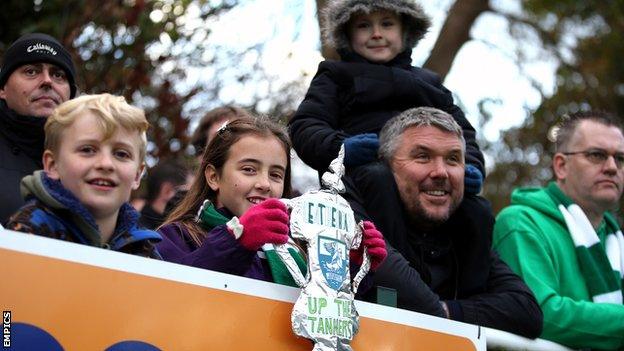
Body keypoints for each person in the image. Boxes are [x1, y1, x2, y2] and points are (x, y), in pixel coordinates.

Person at [346, 107, 543, 338]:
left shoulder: (469, 230)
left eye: (452, 159)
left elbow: (526, 311)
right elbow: (387, 272)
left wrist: (449, 311)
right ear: (384, 166)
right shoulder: (347, 208)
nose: (441, 172)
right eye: (423, 156)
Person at [157, 118, 386, 287]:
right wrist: (237, 240)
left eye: (276, 174)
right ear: (214, 177)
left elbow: (326, 316)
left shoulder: (299, 249)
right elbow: (173, 298)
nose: (265, 184)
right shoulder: (178, 236)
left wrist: (353, 266)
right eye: (249, 170)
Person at [289, 0, 485, 194]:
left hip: (428, 176)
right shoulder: (334, 76)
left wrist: (470, 165)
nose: (376, 34)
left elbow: (462, 131)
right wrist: (341, 148)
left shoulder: (428, 82)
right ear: (348, 34)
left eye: (387, 24)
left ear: (405, 31)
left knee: (476, 208)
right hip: (361, 178)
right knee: (380, 179)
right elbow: (306, 126)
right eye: (364, 25)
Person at [494, 111, 624, 350]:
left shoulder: (618, 241)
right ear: (561, 166)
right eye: (597, 155)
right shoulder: (520, 223)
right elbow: (540, 313)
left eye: (620, 158)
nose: (612, 167)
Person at [5, 94, 161, 258]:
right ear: (52, 165)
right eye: (87, 150)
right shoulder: (25, 234)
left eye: (121, 154)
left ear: (137, 175)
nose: (106, 164)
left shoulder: (145, 251)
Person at [0, 33, 77, 223]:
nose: (47, 81)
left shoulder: (90, 162)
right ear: (2, 89)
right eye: (31, 71)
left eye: (58, 75)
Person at [139, 160, 189, 229]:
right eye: (187, 193)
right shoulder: (151, 236)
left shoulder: (135, 228)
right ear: (167, 190)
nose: (193, 199)